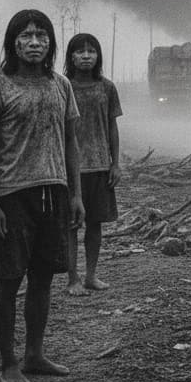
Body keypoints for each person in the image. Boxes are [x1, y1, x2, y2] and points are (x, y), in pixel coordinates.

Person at [0, 9, 84, 382]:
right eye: (26, 36)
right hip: (12, 196)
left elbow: (71, 142)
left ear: (51, 43)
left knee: (42, 279)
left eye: (41, 36)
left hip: (53, 192)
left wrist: (76, 194)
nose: (34, 42)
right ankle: (8, 363)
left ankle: (34, 354)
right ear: (13, 43)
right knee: (9, 280)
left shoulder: (61, 86)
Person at [63, 33, 122, 296]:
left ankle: (91, 276)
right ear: (71, 56)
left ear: (98, 56)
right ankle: (72, 279)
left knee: (95, 225)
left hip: (99, 166)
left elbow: (112, 125)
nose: (86, 56)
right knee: (70, 226)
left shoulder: (106, 87)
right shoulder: (63, 86)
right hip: (70, 169)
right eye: (80, 51)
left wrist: (115, 163)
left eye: (91, 51)